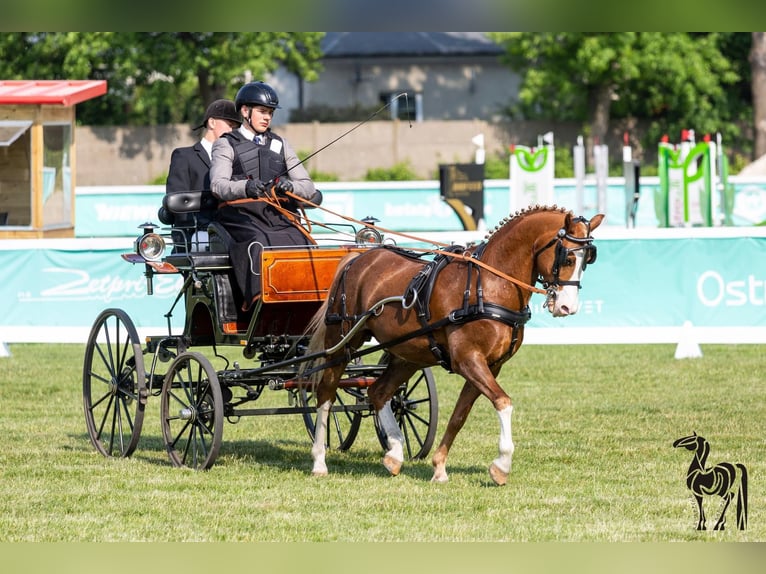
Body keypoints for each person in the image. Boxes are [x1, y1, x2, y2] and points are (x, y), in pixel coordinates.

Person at [210, 81, 317, 311]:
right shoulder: (225, 144)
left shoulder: (280, 144)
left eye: (270, 113)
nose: (267, 118)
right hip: (240, 215)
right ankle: (262, 302)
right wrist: (246, 188)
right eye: (262, 112)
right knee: (259, 242)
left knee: (304, 242)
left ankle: (308, 300)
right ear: (245, 111)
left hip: (277, 214)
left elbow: (308, 187)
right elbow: (218, 185)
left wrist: (289, 187)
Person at [164, 99, 241, 244]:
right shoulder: (184, 156)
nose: (232, 132)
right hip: (195, 234)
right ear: (212, 123)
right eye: (230, 126)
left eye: (235, 128)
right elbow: (178, 204)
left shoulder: (236, 160)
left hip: (231, 231)